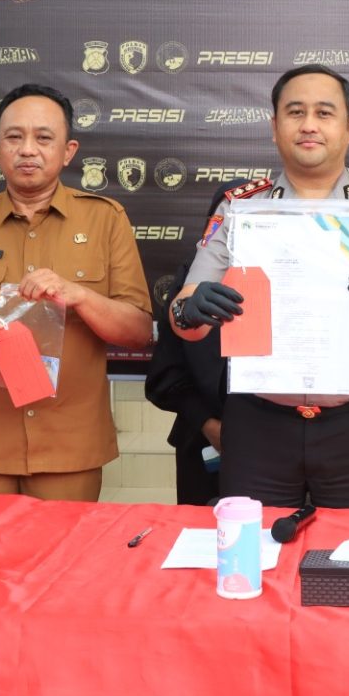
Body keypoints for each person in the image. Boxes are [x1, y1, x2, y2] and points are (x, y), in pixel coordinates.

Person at [169, 64, 349, 508]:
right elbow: (185, 317)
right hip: (258, 424)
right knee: (254, 545)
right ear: (274, 127)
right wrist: (190, 310)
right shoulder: (239, 209)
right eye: (295, 112)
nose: (308, 125)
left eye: (324, 113)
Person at [0, 84, 152, 501]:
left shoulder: (106, 220)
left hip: (70, 442)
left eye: (44, 138)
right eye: (14, 137)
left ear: (68, 151)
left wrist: (79, 295)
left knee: (63, 547)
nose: (28, 149)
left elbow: (138, 332)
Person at [145, 185, 231, 506]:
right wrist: (208, 424)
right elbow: (165, 375)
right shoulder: (190, 285)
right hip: (205, 446)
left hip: (287, 447)